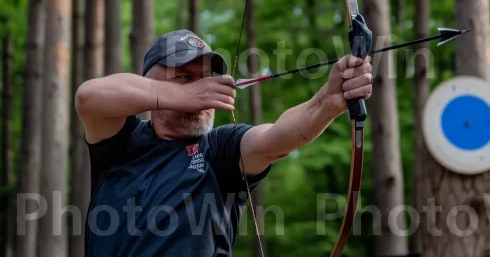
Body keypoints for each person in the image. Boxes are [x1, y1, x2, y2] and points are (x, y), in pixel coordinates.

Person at [76, 29, 373, 257]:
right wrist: (187, 96)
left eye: (206, 77)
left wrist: (327, 101)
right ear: (149, 83)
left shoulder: (219, 150)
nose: (204, 87)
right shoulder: (121, 143)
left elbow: (277, 138)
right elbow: (88, 97)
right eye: (184, 77)